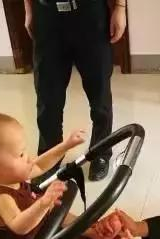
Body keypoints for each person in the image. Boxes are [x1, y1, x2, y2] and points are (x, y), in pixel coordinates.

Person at [0, 111, 121, 239]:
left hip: (33, 228)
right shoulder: (0, 198)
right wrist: (43, 203)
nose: (28, 158)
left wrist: (65, 145)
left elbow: (39, 165)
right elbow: (19, 225)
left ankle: (93, 232)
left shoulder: (8, 176)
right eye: (21, 154)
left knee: (58, 209)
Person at [24, 0, 127, 182]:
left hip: (90, 14)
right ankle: (49, 155)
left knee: (99, 94)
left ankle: (101, 151)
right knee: (47, 97)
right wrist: (29, 9)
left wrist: (120, 7)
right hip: (47, 15)